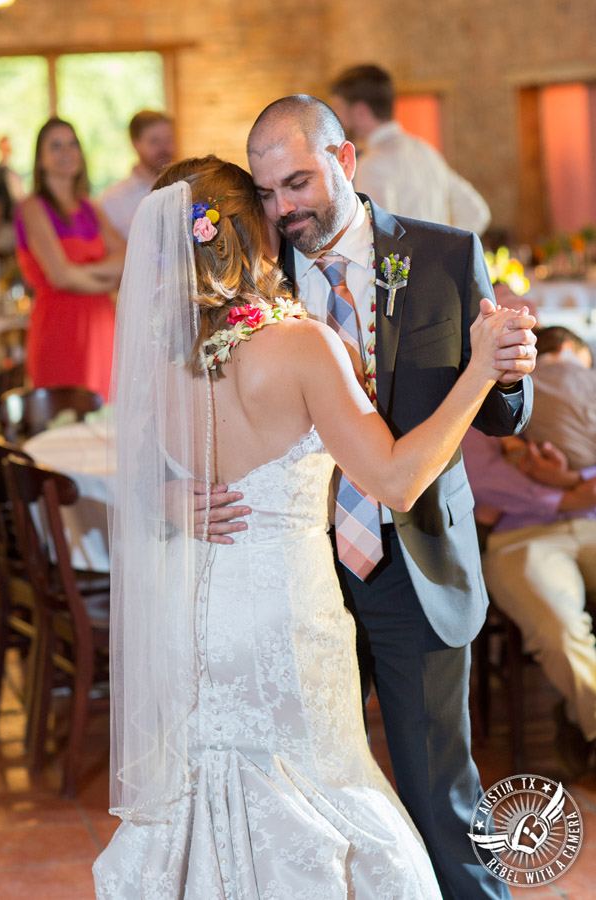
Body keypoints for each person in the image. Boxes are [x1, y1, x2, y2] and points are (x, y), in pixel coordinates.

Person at [92, 156, 525, 898]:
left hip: (198, 615)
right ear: (254, 232)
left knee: (218, 799)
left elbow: (134, 475)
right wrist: (480, 370)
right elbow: (393, 478)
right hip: (284, 618)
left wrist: (169, 502)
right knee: (328, 790)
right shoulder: (299, 345)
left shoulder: (160, 364)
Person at [243, 95, 536, 900]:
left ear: (344, 160)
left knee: (441, 794)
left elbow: (502, 413)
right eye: (266, 194)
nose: (284, 209)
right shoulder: (254, 273)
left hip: (417, 563)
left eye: (297, 183)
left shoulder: (444, 255)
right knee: (311, 799)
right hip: (301, 569)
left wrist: (510, 366)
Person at [463, 426, 596, 775]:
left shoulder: (578, 385)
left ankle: (578, 713)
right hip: (520, 535)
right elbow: (479, 478)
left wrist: (569, 477)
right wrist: (568, 496)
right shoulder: (476, 396)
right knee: (561, 633)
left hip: (591, 522)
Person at [15, 118, 124, 398]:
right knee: (63, 420)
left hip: (102, 326)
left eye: (72, 144)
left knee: (105, 419)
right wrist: (108, 281)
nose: (67, 152)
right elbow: (60, 276)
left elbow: (126, 256)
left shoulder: (89, 206)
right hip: (59, 329)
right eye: (56, 146)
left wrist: (81, 272)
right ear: (40, 160)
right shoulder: (32, 208)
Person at [329, 64, 491, 235]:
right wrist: (444, 252)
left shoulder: (372, 164)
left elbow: (379, 237)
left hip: (403, 262)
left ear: (361, 112)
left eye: (339, 107)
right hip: (431, 261)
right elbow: (477, 213)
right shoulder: (427, 151)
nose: (337, 118)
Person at [524, 325, 596, 470]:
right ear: (567, 348)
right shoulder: (589, 378)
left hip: (554, 471)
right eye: (585, 363)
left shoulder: (522, 386)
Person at [98, 109, 175, 238]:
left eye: (168, 140)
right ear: (135, 144)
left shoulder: (184, 190)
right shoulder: (111, 201)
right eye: (154, 141)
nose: (164, 148)